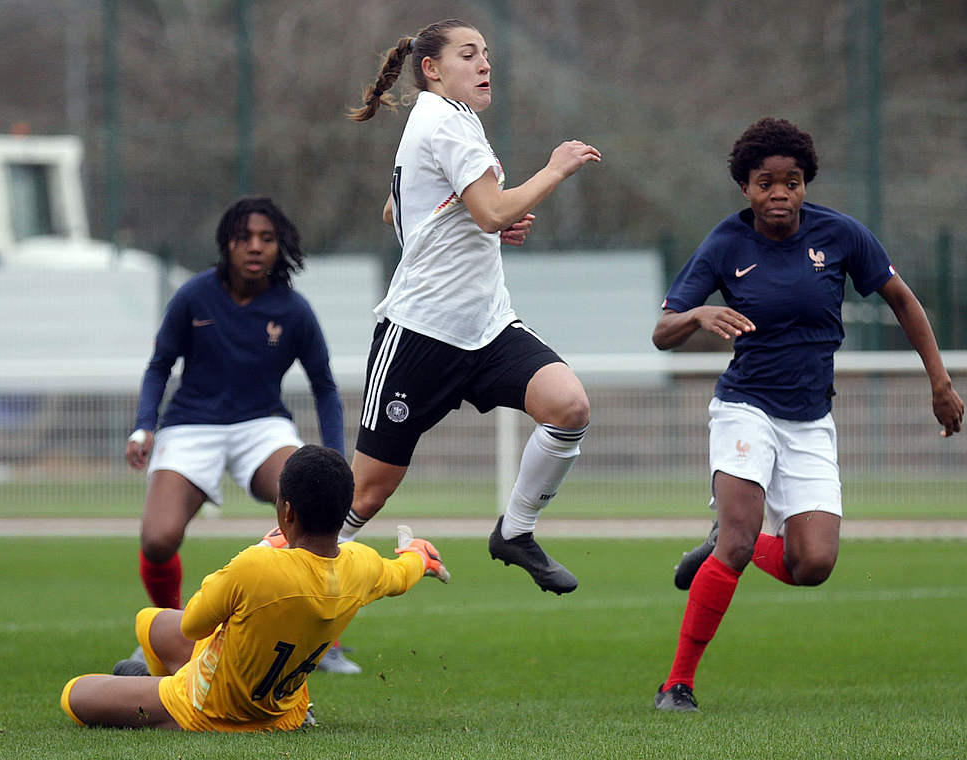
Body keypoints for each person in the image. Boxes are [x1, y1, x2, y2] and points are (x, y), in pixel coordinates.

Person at [649, 118, 965, 712]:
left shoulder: (840, 235)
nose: (779, 194)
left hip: (811, 420)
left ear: (804, 184)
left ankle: (722, 544)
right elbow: (663, 331)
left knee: (813, 564)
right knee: (742, 542)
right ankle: (677, 684)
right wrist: (696, 317)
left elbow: (902, 299)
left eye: (791, 182)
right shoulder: (724, 244)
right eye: (765, 182)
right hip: (745, 409)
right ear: (745, 187)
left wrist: (939, 381)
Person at [342, 19, 601, 594]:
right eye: (469, 54)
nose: (485, 64)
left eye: (486, 54)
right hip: (421, 332)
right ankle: (269, 583)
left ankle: (515, 532)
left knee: (568, 405)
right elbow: (490, 212)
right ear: (432, 69)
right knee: (366, 493)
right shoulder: (445, 121)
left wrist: (476, 218)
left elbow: (398, 210)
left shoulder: (445, 121)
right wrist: (554, 169)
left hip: (485, 326)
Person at [60, 445, 448, 731]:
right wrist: (419, 556)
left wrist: (265, 546)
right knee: (151, 622)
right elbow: (399, 575)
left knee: (75, 694)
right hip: (284, 706)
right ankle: (154, 686)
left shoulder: (257, 564)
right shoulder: (360, 563)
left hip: (213, 707)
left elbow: (195, 624)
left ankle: (161, 696)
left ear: (286, 511)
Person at [125, 197, 357, 671]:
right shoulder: (193, 296)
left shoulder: (293, 310)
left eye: (266, 239)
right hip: (191, 424)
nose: (255, 247)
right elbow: (158, 366)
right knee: (157, 539)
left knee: (314, 504)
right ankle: (171, 630)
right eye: (244, 238)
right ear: (226, 243)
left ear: (280, 247)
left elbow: (325, 387)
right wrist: (144, 424)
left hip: (262, 424)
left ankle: (319, 639)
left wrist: (333, 456)